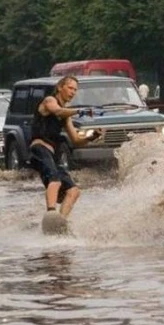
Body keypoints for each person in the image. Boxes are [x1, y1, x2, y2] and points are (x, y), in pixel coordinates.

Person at [29, 75, 103, 234]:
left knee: (74, 191)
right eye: (70, 88)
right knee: (54, 180)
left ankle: (60, 223)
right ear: (60, 87)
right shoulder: (49, 101)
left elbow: (76, 140)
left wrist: (92, 136)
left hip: (53, 154)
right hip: (39, 149)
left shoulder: (66, 115)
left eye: (75, 90)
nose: (73, 92)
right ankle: (50, 214)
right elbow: (57, 110)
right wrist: (81, 111)